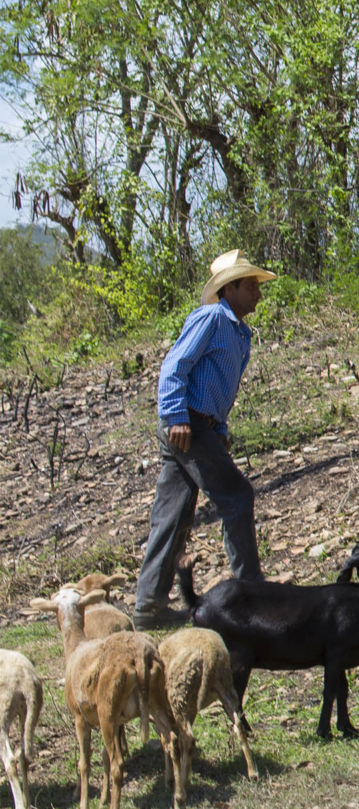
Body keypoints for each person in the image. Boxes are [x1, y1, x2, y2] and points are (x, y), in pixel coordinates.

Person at [130, 249, 278, 630]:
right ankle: (251, 593)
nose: (257, 294)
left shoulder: (238, 332)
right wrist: (177, 416)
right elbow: (174, 367)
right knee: (237, 495)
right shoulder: (212, 318)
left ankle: (149, 606)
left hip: (201, 426)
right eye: (251, 286)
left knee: (174, 512)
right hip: (187, 425)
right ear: (230, 288)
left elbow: (218, 387)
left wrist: (220, 430)